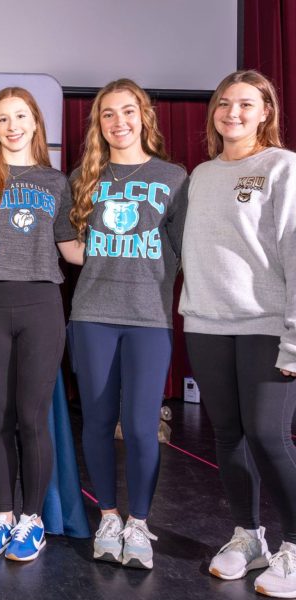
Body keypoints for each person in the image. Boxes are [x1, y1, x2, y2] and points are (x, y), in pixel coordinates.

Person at [180, 69, 296, 597]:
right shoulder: (201, 175)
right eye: (225, 103)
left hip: (267, 327)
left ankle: (294, 545)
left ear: (266, 111)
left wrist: (294, 340)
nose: (233, 113)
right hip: (206, 325)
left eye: (246, 104)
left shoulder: (281, 167)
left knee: (268, 436)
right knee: (227, 435)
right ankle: (249, 537)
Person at [68, 79, 187, 569]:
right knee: (97, 421)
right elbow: (70, 246)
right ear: (98, 124)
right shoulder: (83, 177)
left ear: (144, 117)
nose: (119, 122)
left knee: (140, 427)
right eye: (108, 114)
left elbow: (184, 249)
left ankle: (138, 523)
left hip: (149, 319)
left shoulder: (173, 177)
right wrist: (108, 260)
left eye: (128, 111)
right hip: (92, 316)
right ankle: (109, 517)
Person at [0, 87, 82, 562]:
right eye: (2, 119)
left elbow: (72, 249)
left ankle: (32, 520)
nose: (12, 126)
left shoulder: (56, 181)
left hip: (41, 304)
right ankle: (3, 515)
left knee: (32, 418)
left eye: (20, 117)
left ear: (35, 122)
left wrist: (119, 238)